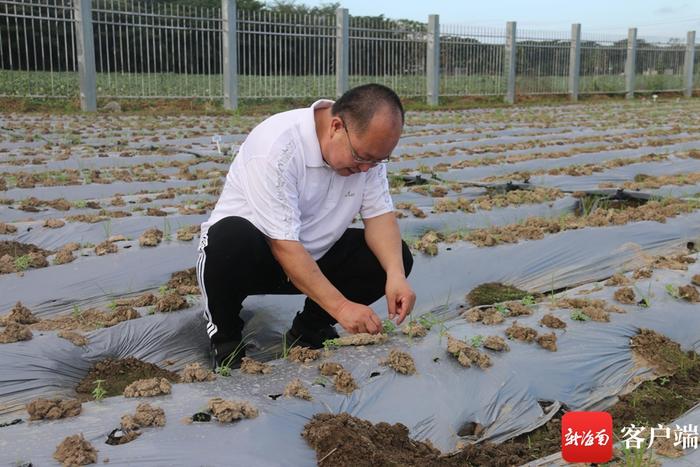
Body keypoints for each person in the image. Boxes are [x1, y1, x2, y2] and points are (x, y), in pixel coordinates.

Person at [196, 83, 416, 368]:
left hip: (313, 259)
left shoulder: (365, 156)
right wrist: (342, 307)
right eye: (362, 158)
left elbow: (380, 217)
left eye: (378, 160)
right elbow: (284, 246)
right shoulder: (278, 145)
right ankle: (225, 339)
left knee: (393, 255)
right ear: (336, 126)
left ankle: (310, 330)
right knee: (228, 238)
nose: (367, 168)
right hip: (256, 257)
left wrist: (396, 275)